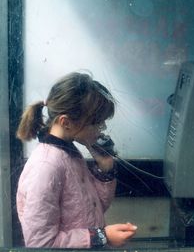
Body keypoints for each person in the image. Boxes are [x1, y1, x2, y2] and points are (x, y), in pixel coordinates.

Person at [16, 72, 137, 248]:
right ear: (66, 122)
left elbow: (92, 211)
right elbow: (39, 244)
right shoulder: (46, 167)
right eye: (96, 122)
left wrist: (105, 170)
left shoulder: (69, 153)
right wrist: (103, 237)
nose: (101, 128)